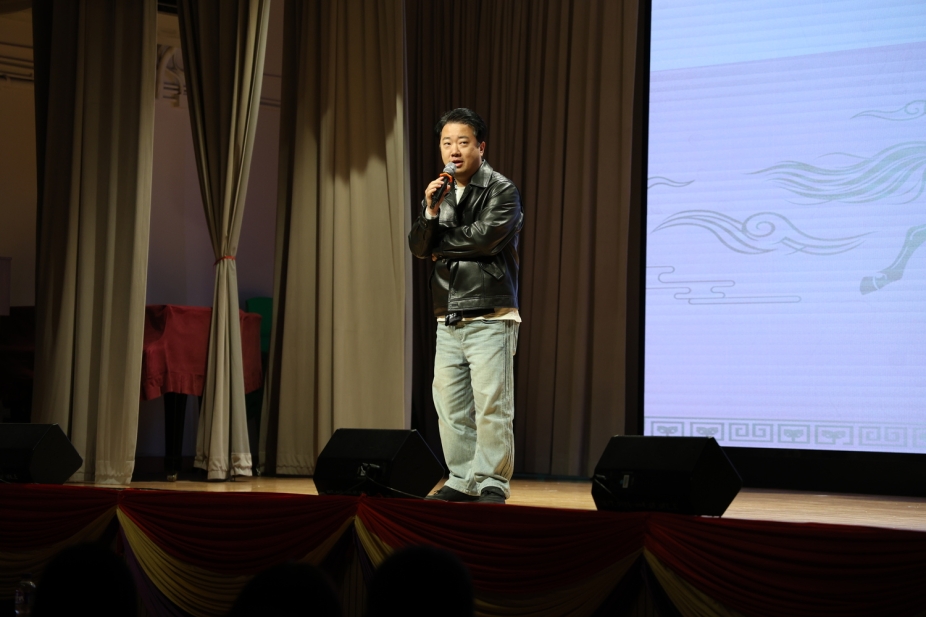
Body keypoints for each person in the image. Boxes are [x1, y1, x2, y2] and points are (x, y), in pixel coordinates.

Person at [408, 108, 523, 505]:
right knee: (450, 406)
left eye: (462, 142)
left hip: (490, 313)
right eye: (446, 143)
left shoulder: (501, 190)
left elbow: (484, 239)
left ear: (480, 147)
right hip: (448, 316)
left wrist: (439, 245)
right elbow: (418, 246)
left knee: (492, 405)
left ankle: (492, 482)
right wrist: (430, 211)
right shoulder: (439, 192)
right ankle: (462, 479)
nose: (453, 150)